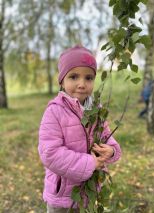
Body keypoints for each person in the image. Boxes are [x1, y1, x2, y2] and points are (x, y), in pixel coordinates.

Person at [38, 45, 121, 213]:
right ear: (61, 80)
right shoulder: (54, 111)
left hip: (89, 192)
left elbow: (105, 135)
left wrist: (111, 151)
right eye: (74, 76)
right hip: (63, 196)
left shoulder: (96, 110)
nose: (82, 84)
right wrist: (89, 163)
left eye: (88, 78)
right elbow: (50, 153)